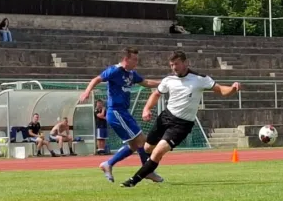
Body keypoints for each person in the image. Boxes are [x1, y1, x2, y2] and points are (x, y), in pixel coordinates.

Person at [120, 50, 240, 187]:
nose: (174, 68)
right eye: (171, 65)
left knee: (159, 151)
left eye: (176, 64)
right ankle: (149, 169)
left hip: (182, 125)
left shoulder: (200, 79)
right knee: (147, 148)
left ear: (185, 63)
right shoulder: (168, 80)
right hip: (165, 118)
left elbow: (221, 90)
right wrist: (146, 109)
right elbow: (156, 94)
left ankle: (133, 180)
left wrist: (232, 89)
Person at [79, 47, 164, 183]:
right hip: (116, 112)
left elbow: (146, 82)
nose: (136, 62)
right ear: (126, 59)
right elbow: (97, 79)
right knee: (142, 140)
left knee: (134, 146)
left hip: (123, 113)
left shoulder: (131, 74)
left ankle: (108, 164)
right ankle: (148, 171)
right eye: (134, 59)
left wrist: (165, 83)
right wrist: (87, 91)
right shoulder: (114, 70)